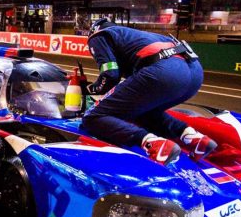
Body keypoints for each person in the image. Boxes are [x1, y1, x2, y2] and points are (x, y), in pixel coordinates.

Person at [80, 18, 217, 165]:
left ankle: (153, 144)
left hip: (165, 70)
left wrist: (89, 89)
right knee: (142, 111)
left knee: (94, 117)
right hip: (195, 73)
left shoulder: (99, 36)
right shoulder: (133, 35)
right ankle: (193, 138)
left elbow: (111, 74)